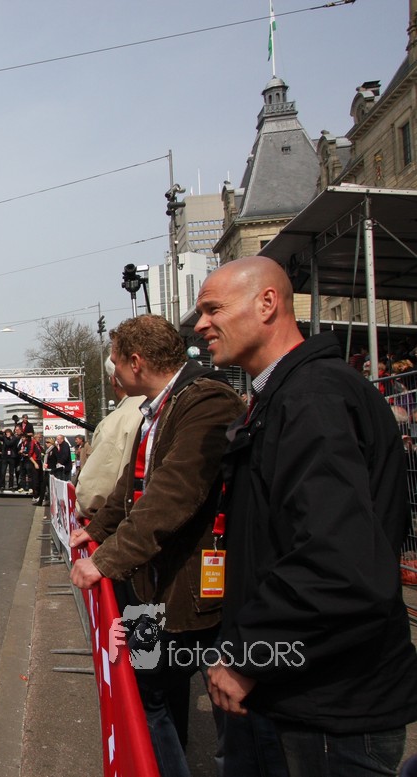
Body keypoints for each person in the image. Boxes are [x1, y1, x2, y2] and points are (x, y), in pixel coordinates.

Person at [197, 256, 417, 776]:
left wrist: (251, 653)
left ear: (267, 303)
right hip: (301, 693)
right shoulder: (287, 395)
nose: (201, 325)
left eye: (213, 309)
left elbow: (337, 562)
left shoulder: (312, 398)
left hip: (327, 707)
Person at [69, 314, 243, 777]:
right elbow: (133, 482)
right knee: (146, 692)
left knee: (230, 717)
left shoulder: (205, 400)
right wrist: (99, 527)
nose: (113, 373)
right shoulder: (159, 405)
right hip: (154, 583)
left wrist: (106, 559)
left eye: (114, 362)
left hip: (194, 589)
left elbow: (172, 492)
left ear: (136, 362)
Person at [74, 357, 145, 521]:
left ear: (113, 380)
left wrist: (82, 508)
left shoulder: (114, 423)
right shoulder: (168, 406)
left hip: (125, 522)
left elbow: (93, 494)